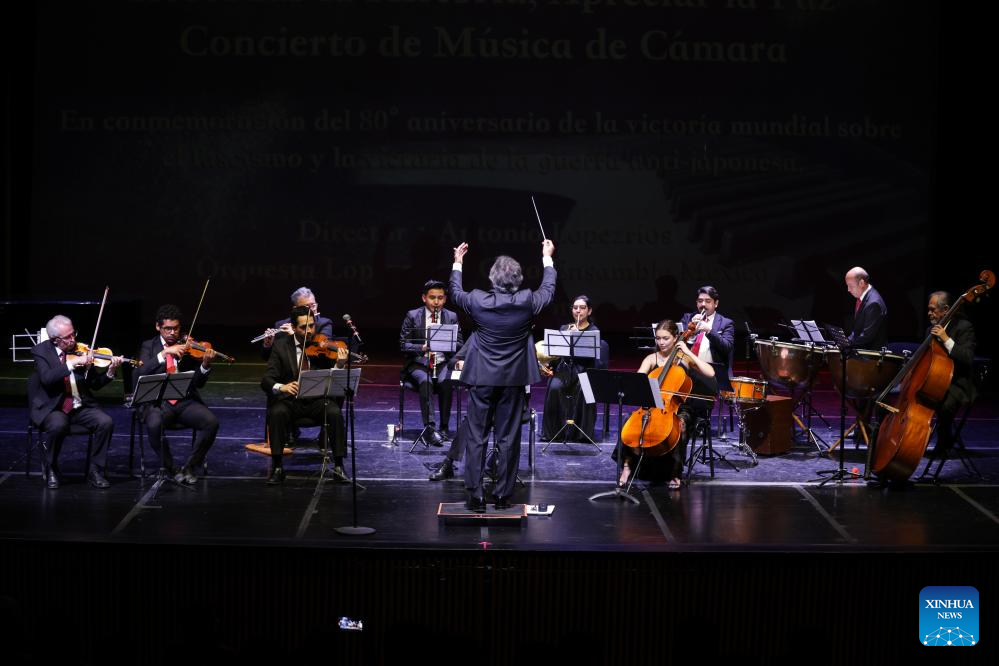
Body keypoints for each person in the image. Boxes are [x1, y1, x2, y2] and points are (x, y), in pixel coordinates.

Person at [448, 240, 556, 511]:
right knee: (508, 437)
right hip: (512, 381)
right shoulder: (527, 301)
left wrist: (458, 262)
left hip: (482, 378)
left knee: (477, 435)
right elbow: (549, 289)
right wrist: (547, 257)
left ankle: (475, 495)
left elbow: (455, 292)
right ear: (518, 280)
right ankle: (502, 495)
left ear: (492, 279)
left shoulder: (477, 300)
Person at [617, 320, 716, 491]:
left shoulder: (684, 358)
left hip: (679, 406)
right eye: (658, 338)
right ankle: (627, 466)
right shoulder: (651, 358)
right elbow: (637, 382)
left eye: (666, 338)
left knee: (681, 425)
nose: (661, 342)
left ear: (676, 337)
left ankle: (675, 472)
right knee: (628, 421)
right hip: (652, 404)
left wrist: (688, 352)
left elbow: (710, 373)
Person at [28, 315, 122, 489]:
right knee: (58, 425)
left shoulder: (81, 351)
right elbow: (47, 378)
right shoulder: (41, 351)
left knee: (105, 422)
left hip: (79, 406)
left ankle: (95, 470)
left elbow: (94, 384)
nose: (73, 340)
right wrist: (71, 364)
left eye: (74, 334)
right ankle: (51, 467)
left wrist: (110, 371)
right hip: (53, 407)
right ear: (55, 340)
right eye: (68, 337)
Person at [261, 305, 348, 484]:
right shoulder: (281, 346)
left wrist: (339, 364)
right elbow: (267, 380)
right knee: (276, 413)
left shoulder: (322, 346)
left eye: (311, 326)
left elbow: (333, 380)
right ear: (293, 327)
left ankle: (339, 466)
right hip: (290, 402)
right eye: (303, 327)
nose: (309, 331)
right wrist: (282, 387)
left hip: (317, 402)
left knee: (334, 413)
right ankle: (278, 467)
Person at [135, 304, 220, 484]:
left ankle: (189, 467)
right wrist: (164, 352)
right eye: (167, 329)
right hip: (156, 403)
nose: (173, 333)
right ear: (158, 327)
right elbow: (138, 374)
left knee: (211, 423)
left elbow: (199, 383)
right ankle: (171, 467)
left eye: (176, 328)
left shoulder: (187, 347)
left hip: (184, 401)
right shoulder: (148, 346)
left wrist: (204, 365)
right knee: (154, 424)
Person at [400, 279, 464, 446]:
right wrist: (423, 347)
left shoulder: (451, 317)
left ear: (445, 299)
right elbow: (403, 344)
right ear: (424, 298)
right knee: (425, 381)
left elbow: (460, 344)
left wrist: (446, 343)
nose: (436, 302)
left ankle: (443, 428)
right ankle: (430, 429)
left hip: (442, 362)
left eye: (440, 298)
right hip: (419, 363)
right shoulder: (412, 315)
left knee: (446, 382)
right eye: (432, 297)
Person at [540, 295, 604, 442]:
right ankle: (553, 433)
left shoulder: (593, 330)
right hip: (565, 370)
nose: (578, 311)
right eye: (575, 308)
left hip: (584, 370)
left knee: (584, 390)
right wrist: (550, 365)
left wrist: (577, 337)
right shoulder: (564, 328)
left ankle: (581, 434)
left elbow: (593, 358)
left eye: (582, 308)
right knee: (555, 387)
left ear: (589, 311)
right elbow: (557, 355)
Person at [926, 291, 977, 457]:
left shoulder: (964, 327)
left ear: (946, 309)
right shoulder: (931, 330)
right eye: (929, 309)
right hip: (936, 380)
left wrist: (946, 339)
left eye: (933, 309)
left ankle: (943, 445)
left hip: (958, 382)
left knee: (945, 405)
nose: (929, 313)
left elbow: (967, 358)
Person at [260, 287, 334, 359]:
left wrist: (293, 336)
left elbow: (321, 351)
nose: (312, 310)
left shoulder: (324, 324)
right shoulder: (280, 325)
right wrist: (268, 345)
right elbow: (267, 357)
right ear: (296, 309)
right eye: (307, 307)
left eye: (313, 305)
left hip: (311, 369)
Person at [678, 285, 735, 379]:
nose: (703, 304)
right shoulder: (687, 318)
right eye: (700, 301)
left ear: (716, 303)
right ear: (696, 303)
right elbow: (678, 345)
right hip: (689, 371)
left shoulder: (726, 323)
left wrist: (709, 330)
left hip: (714, 374)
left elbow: (727, 348)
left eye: (708, 301)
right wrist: (692, 332)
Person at [844, 267, 887, 350]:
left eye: (850, 286)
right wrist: (845, 341)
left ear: (861, 283)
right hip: (863, 351)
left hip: (871, 356)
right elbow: (857, 331)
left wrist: (846, 344)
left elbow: (866, 336)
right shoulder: (863, 297)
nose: (848, 290)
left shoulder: (873, 303)